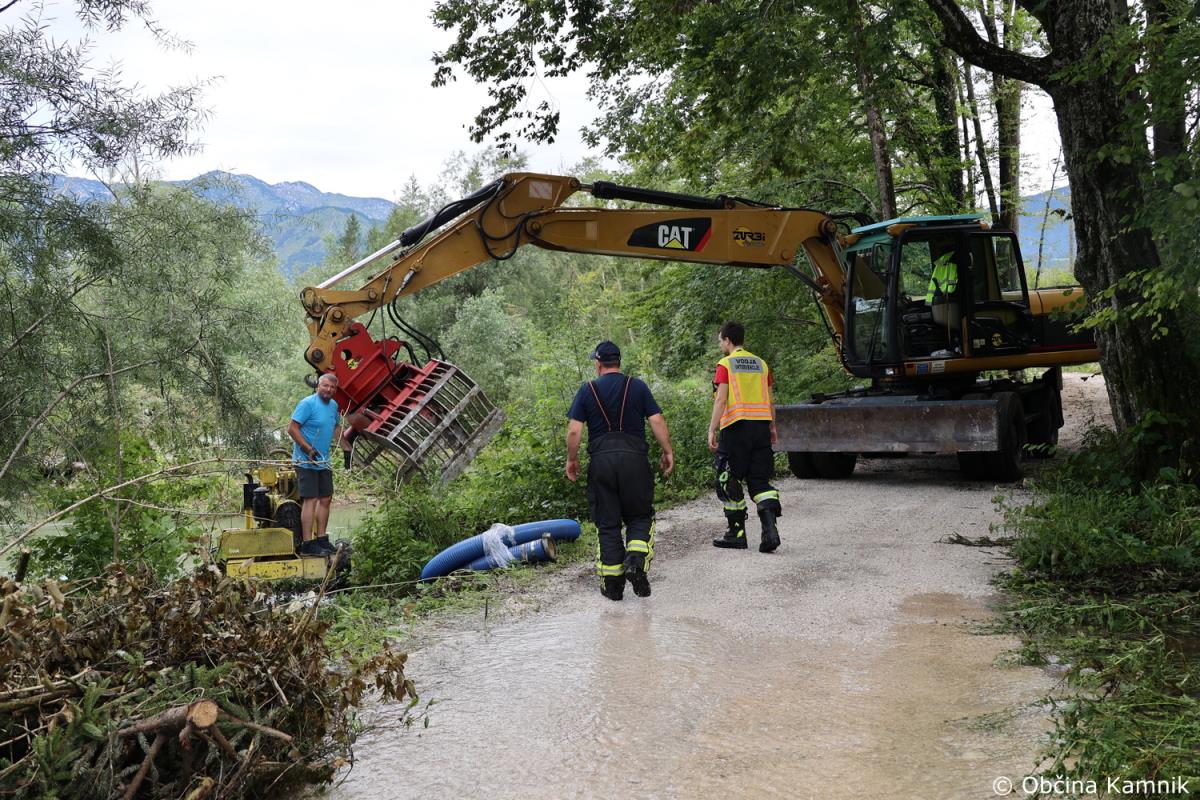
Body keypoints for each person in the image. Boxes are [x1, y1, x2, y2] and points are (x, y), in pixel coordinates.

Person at [566, 341, 674, 601]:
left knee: (608, 523)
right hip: (635, 461)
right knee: (639, 516)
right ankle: (636, 562)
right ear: (619, 362)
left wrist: (572, 459)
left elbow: (574, 430)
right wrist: (667, 451)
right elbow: (657, 420)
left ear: (598, 363)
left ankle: (613, 586)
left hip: (602, 463)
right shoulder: (637, 387)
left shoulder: (587, 390)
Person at [708, 321, 781, 553]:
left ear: (728, 340)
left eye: (720, 340)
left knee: (727, 478)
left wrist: (712, 429)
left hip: (735, 428)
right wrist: (772, 427)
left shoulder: (725, 364)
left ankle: (736, 534)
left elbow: (721, 399)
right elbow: (770, 400)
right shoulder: (761, 364)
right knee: (759, 480)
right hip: (761, 428)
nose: (720, 345)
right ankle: (770, 530)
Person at [287, 373, 343, 556]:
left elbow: (336, 428)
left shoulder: (333, 406)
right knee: (310, 499)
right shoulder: (307, 404)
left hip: (323, 461)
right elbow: (292, 428)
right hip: (305, 460)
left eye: (332, 387)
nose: (328, 389)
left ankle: (321, 539)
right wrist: (307, 448)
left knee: (326, 498)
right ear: (318, 386)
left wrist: (347, 447)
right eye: (325, 385)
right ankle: (308, 544)